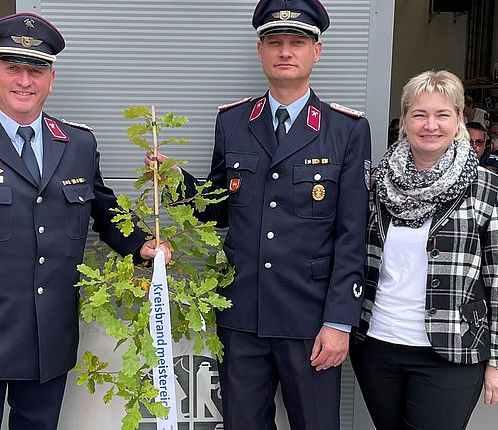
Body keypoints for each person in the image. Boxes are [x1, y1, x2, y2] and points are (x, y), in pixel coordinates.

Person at [0, 13, 169, 430]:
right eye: (12, 67)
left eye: (36, 69)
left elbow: (103, 207)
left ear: (51, 79)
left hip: (48, 336)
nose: (24, 80)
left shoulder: (77, 144)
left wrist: (142, 246)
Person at [146, 1, 371, 427]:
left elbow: (351, 235)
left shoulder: (346, 130)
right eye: (275, 42)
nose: (285, 51)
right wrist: (175, 180)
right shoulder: (233, 122)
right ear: (260, 51)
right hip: (243, 314)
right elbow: (218, 208)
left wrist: (341, 321)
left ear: (316, 52)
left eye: (297, 42)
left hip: (311, 319)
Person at [352, 70, 498, 430]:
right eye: (419, 114)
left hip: (453, 350)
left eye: (442, 114)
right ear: (405, 122)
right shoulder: (376, 182)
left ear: (459, 119)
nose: (431, 125)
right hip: (377, 345)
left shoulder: (487, 187)